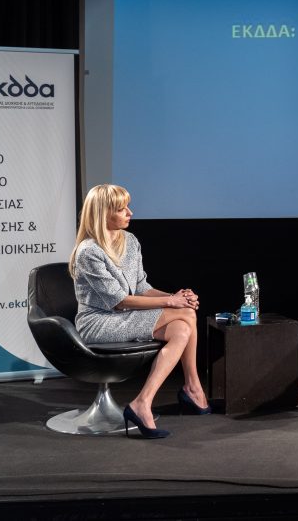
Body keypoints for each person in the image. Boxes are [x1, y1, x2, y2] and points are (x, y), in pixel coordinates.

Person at [68, 184, 210, 439]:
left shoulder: (130, 241)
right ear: (102, 213)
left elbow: (142, 287)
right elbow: (119, 301)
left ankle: (147, 400)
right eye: (121, 209)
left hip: (124, 316)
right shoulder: (89, 252)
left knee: (182, 326)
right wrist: (172, 302)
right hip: (98, 323)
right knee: (187, 314)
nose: (130, 213)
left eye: (127, 207)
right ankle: (190, 388)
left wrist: (178, 298)